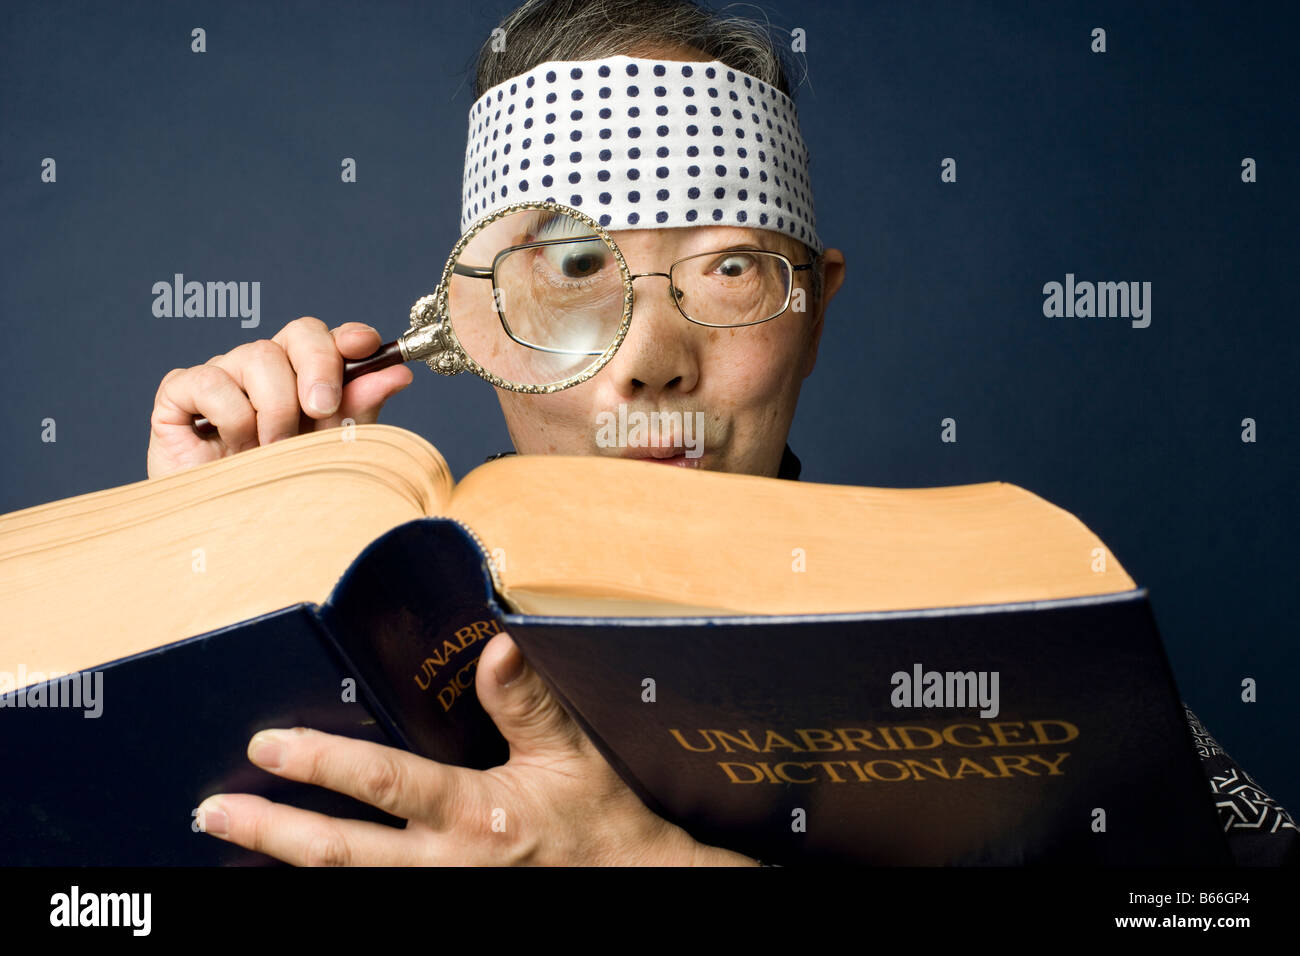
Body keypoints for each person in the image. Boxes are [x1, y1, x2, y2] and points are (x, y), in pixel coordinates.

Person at [146, 0, 1295, 866]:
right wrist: (208, 579)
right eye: (574, 273)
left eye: (729, 266)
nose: (652, 358)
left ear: (814, 310)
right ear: (472, 326)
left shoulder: (1004, 642)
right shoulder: (374, 652)